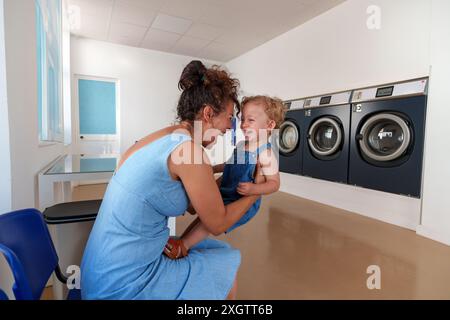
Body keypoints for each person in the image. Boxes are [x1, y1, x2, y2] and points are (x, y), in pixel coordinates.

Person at [80, 60, 262, 300]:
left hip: (99, 271)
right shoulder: (191, 153)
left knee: (217, 251)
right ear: (208, 113)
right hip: (123, 284)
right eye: (229, 117)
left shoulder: (163, 137)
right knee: (225, 264)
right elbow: (217, 223)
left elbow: (194, 199)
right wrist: (258, 190)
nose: (230, 127)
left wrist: (226, 173)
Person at [164, 96, 286, 260]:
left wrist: (254, 189)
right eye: (242, 119)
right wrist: (213, 168)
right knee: (205, 217)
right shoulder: (242, 145)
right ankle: (182, 240)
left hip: (239, 199)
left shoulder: (266, 153)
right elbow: (230, 164)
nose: (243, 125)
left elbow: (274, 183)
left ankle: (184, 245)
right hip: (227, 187)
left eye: (250, 120)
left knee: (208, 223)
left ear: (270, 125)